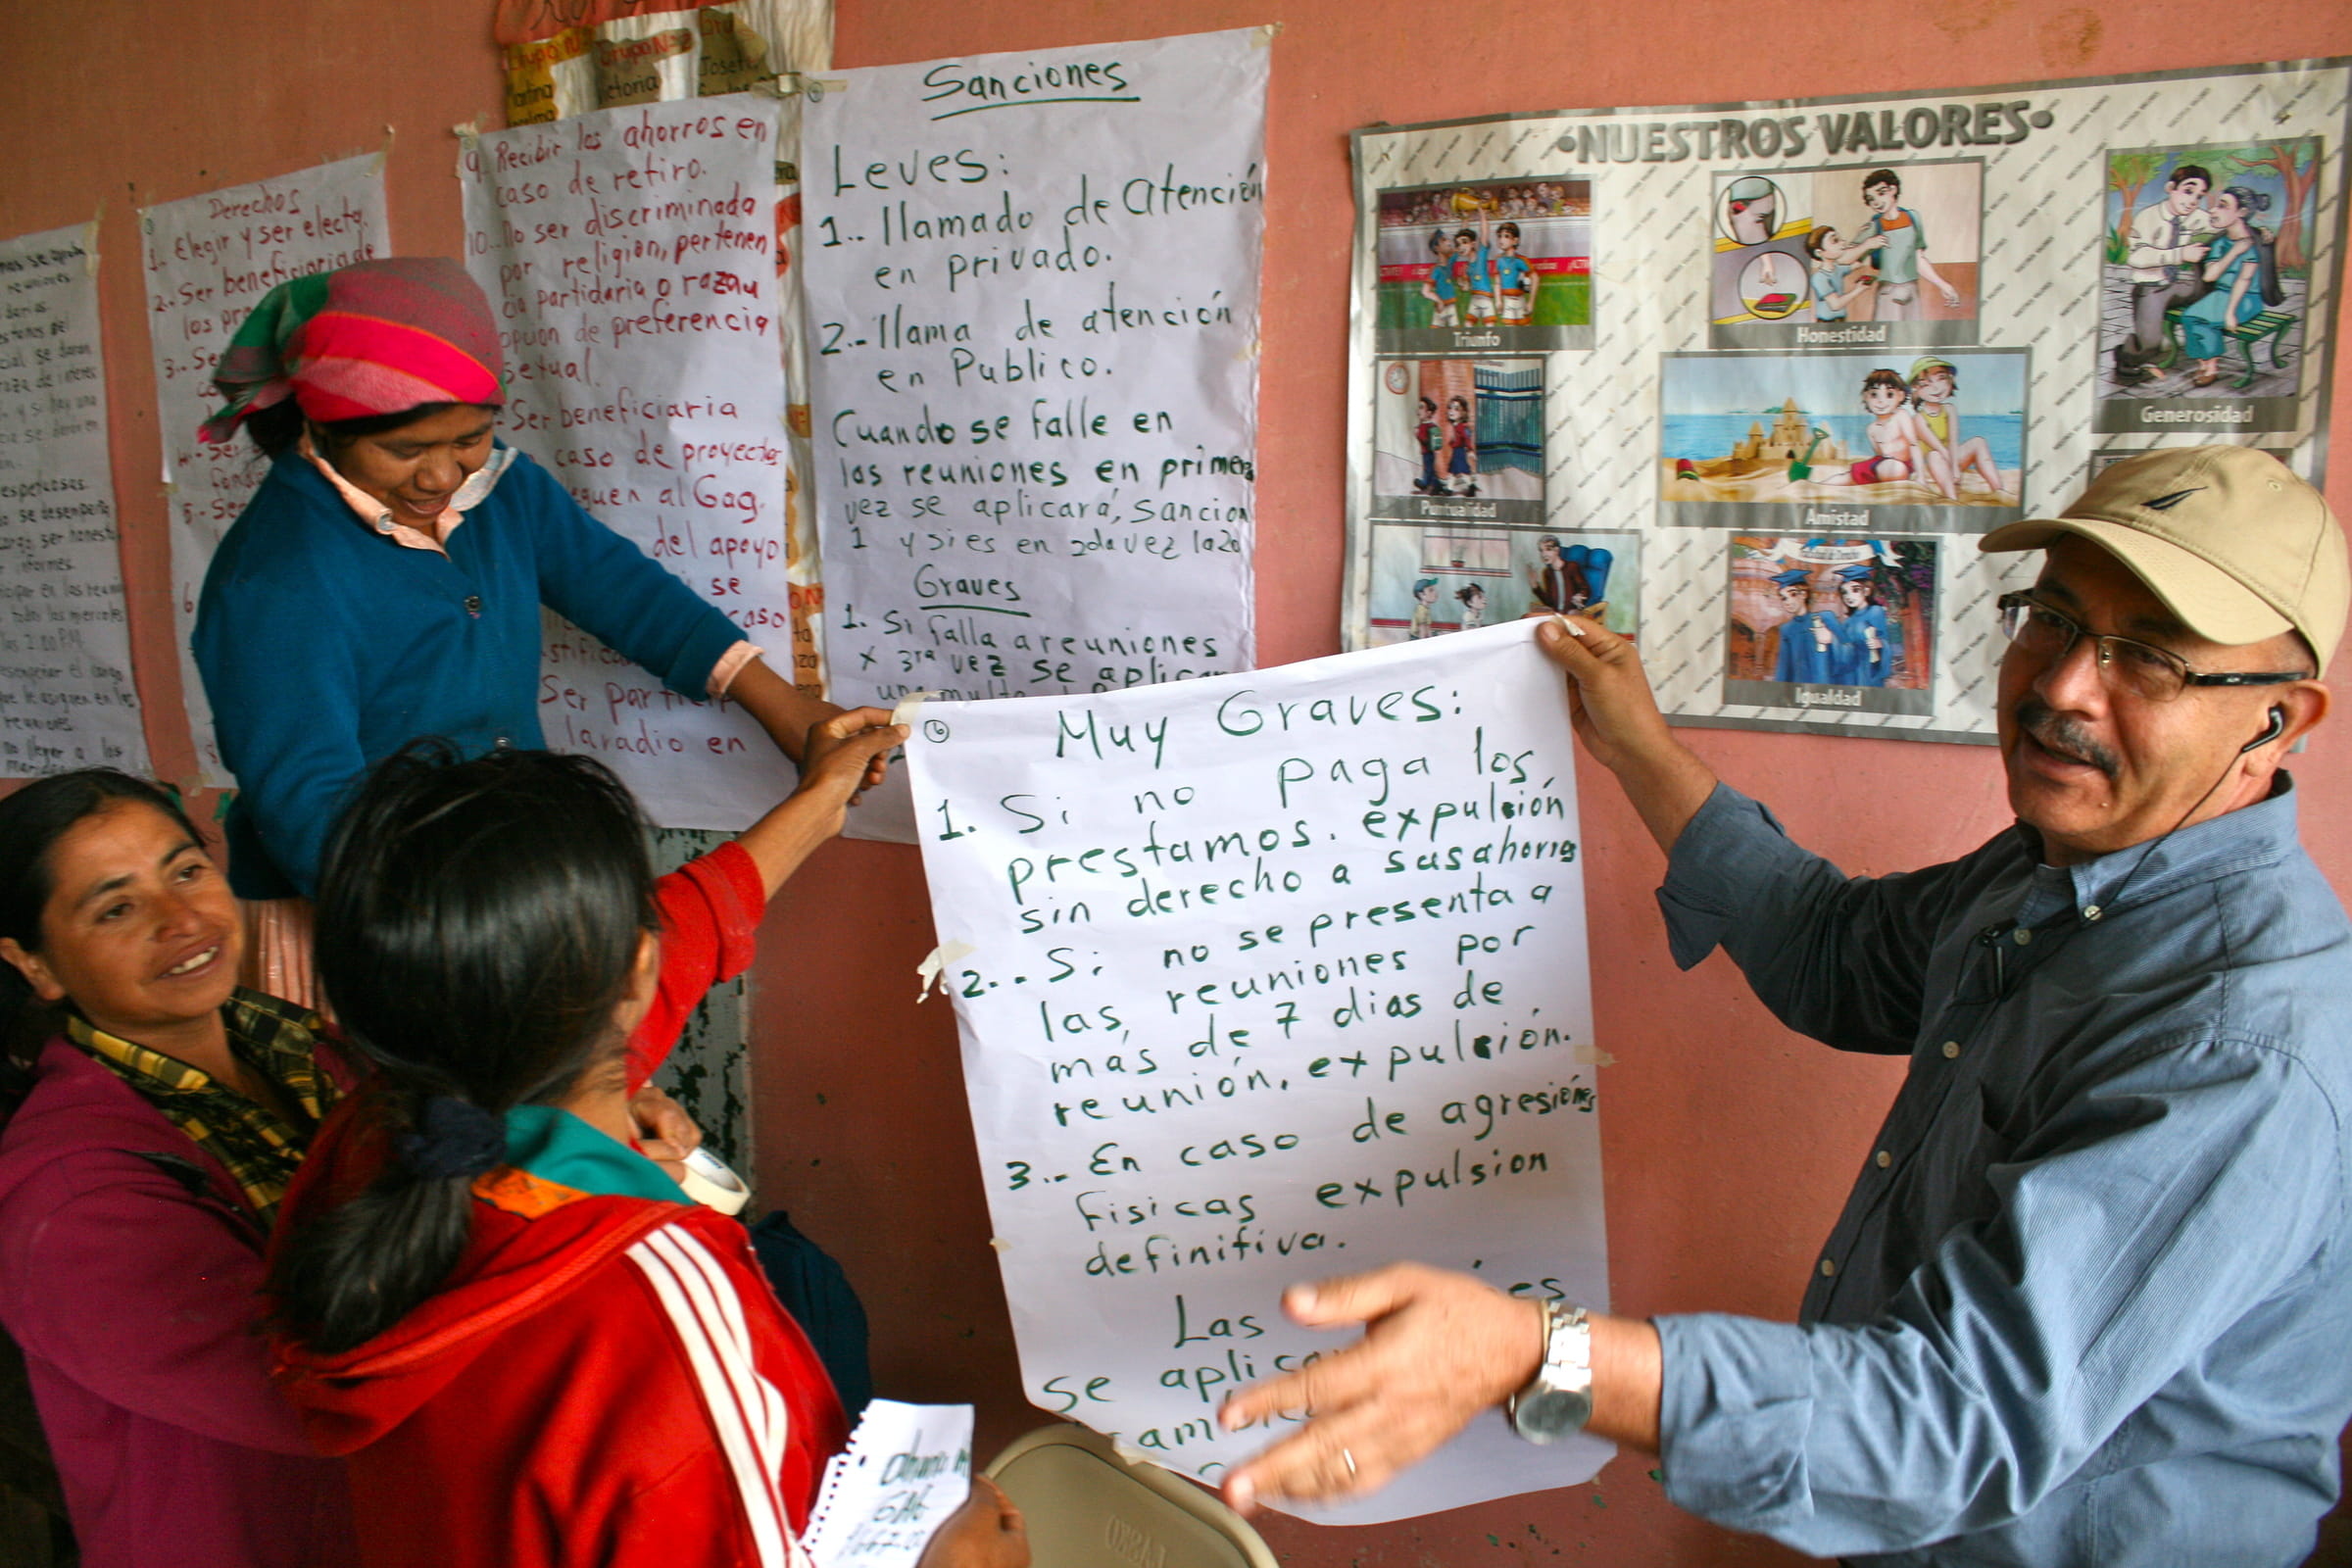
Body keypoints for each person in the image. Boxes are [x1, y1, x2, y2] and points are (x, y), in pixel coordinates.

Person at [1214, 446, 2352, 1567]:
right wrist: (1637, 745)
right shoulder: (2063, 869)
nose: (2061, 688)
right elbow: (1836, 952)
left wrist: (1535, 1357)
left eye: (2149, 659)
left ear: (2278, 723)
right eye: (2051, 620)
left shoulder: (2238, 1043)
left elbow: (1952, 1420)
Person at [267, 744, 1025, 1568]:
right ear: (633, 968)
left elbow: (686, 933)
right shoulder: (664, 1313)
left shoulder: (376, 1142)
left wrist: (820, 799)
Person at [190, 257, 852, 1000]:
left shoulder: (501, 488)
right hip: (371, 919)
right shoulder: (276, 579)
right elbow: (310, 811)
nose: (442, 476)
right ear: (321, 426)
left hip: (500, 892)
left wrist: (782, 707)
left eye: (468, 438)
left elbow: (626, 593)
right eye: (405, 451)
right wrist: (475, 941)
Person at [0, 771, 356, 1568]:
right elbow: (318, 1395)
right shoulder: (68, 1203)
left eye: (187, 870)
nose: (185, 919)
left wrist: (566, 1130)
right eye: (117, 908)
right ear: (35, 965)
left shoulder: (304, 1047)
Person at [2114, 164, 2215, 382]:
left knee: (2209, 289)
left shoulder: (2194, 216)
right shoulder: (2148, 217)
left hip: (2175, 286)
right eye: (2188, 191)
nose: (2192, 201)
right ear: (2171, 187)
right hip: (2150, 289)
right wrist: (2179, 255)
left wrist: (2255, 231)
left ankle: (2199, 345)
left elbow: (2219, 223)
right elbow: (2137, 257)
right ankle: (2128, 353)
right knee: (2151, 344)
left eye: (2199, 196)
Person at [2177, 184, 2284, 388]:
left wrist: (2230, 313)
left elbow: (2244, 281)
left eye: (2222, 206)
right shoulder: (2220, 243)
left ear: (2242, 212)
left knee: (2204, 320)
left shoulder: (2253, 244)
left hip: (2244, 299)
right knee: (2189, 316)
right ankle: (2203, 361)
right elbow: (2210, 276)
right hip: (2221, 294)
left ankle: (2212, 367)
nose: (2213, 211)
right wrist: (2233, 252)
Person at [1842, 168, 1962, 321]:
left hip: (1912, 292)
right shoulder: (1873, 226)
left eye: (1881, 193)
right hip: (1887, 293)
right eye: (1871, 199)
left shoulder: (1913, 218)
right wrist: (1866, 245)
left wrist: (1943, 285)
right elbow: (1845, 259)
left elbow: (1918, 259)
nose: (1876, 202)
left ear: (1893, 189)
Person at [1905, 356, 2011, 501]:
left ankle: (1998, 489)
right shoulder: (1918, 418)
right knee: (1934, 454)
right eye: (1926, 384)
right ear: (1916, 389)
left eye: (1941, 379)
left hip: (1951, 458)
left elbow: (1953, 440)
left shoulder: (1949, 409)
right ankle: (1951, 498)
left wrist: (1955, 467)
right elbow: (1937, 447)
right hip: (1933, 464)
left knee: (1978, 442)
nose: (1936, 388)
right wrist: (1953, 469)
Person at [1763, 565, 1837, 685]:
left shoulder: (1826, 618)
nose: (1788, 602)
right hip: (1799, 691)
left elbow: (1848, 654)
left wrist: (1831, 639)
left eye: (1792, 594)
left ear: (1804, 594)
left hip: (1825, 690)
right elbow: (1784, 668)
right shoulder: (1787, 629)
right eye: (1783, 598)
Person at [1830, 563, 1892, 686]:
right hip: (1851, 673)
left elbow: (1884, 640)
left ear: (1866, 591)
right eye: (1844, 592)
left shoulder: (1875, 612)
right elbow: (1842, 647)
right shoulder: (1848, 622)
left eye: (1855, 590)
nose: (1849, 596)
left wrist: (1879, 644)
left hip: (1868, 670)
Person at [1803, 224, 1874, 323]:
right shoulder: (1820, 278)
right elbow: (1835, 305)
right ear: (1819, 253)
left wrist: (1861, 238)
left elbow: (1857, 263)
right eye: (1835, 241)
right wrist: (1858, 290)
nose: (1842, 242)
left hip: (1841, 320)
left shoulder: (1837, 269)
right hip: (1826, 324)